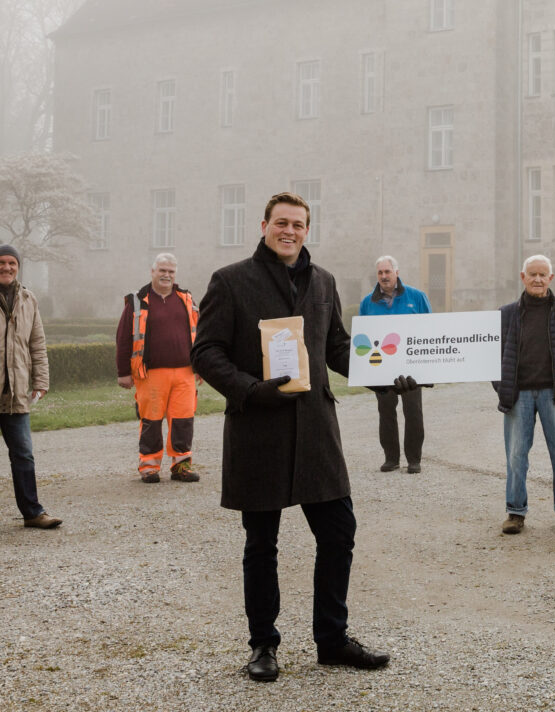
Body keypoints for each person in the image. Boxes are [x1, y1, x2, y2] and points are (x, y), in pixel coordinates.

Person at [191, 192, 392, 682]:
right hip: (260, 429)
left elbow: (340, 348)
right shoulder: (230, 280)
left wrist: (393, 369)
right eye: (281, 223)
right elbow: (206, 352)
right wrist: (250, 390)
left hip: (316, 433)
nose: (290, 231)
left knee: (339, 533)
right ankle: (263, 645)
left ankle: (332, 639)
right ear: (264, 226)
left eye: (299, 225)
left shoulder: (323, 281)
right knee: (261, 544)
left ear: (307, 230)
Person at [494, 254, 555, 535]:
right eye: (532, 274)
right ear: (522, 277)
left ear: (551, 278)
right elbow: (491, 356)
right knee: (515, 456)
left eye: (542, 274)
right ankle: (515, 512)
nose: (537, 279)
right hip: (518, 396)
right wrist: (502, 388)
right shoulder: (506, 314)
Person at [0, 245, 61, 536]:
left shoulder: (28, 299)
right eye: (1, 262)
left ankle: (33, 512)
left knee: (24, 454)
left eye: (12, 263)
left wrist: (41, 380)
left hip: (16, 392)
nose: (7, 267)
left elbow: (37, 344)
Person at [116, 253, 201, 483]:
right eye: (162, 270)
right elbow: (124, 337)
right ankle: (149, 466)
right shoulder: (137, 300)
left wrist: (202, 365)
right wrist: (123, 372)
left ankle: (181, 465)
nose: (167, 275)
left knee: (184, 420)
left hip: (185, 372)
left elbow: (199, 334)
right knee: (151, 421)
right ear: (152, 271)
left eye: (171, 271)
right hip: (150, 373)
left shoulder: (187, 299)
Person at [359, 256, 432, 473]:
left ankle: (414, 459)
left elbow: (431, 329)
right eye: (380, 273)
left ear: (396, 272)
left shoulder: (417, 297)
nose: (383, 276)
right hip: (381, 366)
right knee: (386, 411)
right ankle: (391, 458)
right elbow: (362, 335)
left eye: (387, 272)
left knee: (413, 411)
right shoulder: (367, 303)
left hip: (411, 367)